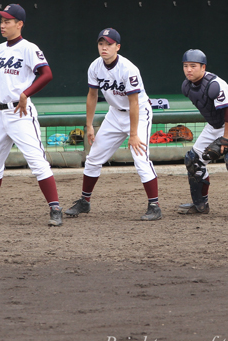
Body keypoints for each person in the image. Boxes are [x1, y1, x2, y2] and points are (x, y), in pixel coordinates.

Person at [0, 4, 63, 226]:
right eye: (1, 21)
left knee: (37, 161)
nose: (2, 25)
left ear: (20, 24)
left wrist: (27, 93)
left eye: (7, 21)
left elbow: (47, 74)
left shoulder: (29, 48)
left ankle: (55, 208)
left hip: (20, 112)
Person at [64, 28, 161, 221]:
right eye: (101, 44)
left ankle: (154, 206)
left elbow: (134, 102)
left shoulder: (128, 68)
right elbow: (92, 95)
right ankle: (85, 201)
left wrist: (133, 134)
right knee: (93, 158)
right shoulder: (95, 66)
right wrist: (89, 125)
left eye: (108, 44)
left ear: (118, 46)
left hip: (138, 114)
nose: (104, 48)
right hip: (114, 115)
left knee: (140, 159)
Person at [178, 49, 228, 218]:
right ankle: (200, 205)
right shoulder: (186, 86)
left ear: (203, 67)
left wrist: (226, 138)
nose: (188, 69)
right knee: (193, 161)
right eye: (185, 66)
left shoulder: (215, 84)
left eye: (193, 66)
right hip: (213, 125)